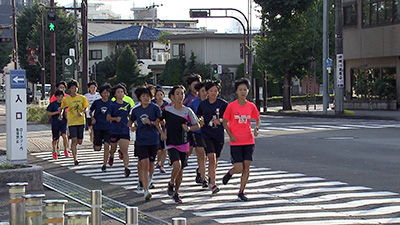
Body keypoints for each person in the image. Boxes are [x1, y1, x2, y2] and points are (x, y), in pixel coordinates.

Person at [222, 78, 260, 201]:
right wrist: (230, 135)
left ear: (248, 91)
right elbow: (225, 122)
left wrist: (256, 127)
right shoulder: (231, 106)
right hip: (236, 140)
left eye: (245, 89)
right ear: (236, 91)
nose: (243, 92)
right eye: (240, 90)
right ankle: (230, 173)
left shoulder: (251, 106)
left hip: (248, 140)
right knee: (239, 168)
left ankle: (241, 191)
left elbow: (257, 118)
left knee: (247, 166)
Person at [162, 85, 200, 204]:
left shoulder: (187, 111)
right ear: (172, 97)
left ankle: (176, 192)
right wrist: (162, 132)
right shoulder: (167, 110)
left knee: (181, 170)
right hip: (171, 142)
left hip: (184, 143)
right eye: (177, 94)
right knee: (177, 165)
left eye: (182, 94)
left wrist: (188, 128)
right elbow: (159, 121)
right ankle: (171, 183)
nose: (180, 96)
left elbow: (197, 125)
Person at [128, 86, 164, 201]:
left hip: (153, 139)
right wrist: (133, 126)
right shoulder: (136, 110)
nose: (146, 98)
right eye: (143, 96)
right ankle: (145, 189)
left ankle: (148, 179)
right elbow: (130, 122)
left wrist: (153, 123)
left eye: (148, 96)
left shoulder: (155, 108)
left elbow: (161, 121)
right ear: (139, 98)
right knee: (144, 163)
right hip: (141, 140)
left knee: (152, 164)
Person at [197, 81, 228, 194]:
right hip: (206, 134)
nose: (213, 93)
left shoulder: (223, 104)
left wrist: (219, 120)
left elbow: (228, 118)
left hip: (219, 135)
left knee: (216, 160)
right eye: (211, 91)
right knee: (211, 157)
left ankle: (211, 175)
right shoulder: (203, 104)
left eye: (215, 91)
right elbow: (198, 116)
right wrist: (200, 121)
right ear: (207, 92)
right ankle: (213, 184)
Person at [59, 79, 89, 166]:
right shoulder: (66, 99)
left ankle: (75, 148)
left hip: (81, 121)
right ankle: (75, 159)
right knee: (74, 140)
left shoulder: (82, 98)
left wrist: (83, 111)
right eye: (72, 88)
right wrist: (60, 114)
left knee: (80, 141)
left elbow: (86, 107)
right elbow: (61, 108)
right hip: (72, 122)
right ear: (69, 89)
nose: (74, 89)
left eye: (75, 88)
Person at [107, 84, 132, 177]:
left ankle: (126, 168)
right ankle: (112, 155)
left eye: (122, 92)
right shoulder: (112, 105)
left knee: (125, 149)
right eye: (118, 92)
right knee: (112, 148)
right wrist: (115, 119)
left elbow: (130, 116)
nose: (120, 94)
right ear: (115, 94)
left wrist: (132, 123)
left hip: (124, 129)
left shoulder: (127, 105)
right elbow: (108, 117)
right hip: (114, 130)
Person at [188, 81, 208, 188]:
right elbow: (190, 117)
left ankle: (200, 171)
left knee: (209, 155)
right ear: (198, 92)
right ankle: (204, 179)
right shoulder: (194, 103)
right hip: (197, 132)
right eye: (203, 91)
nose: (205, 93)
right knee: (201, 154)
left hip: (210, 132)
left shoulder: (213, 102)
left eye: (206, 91)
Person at [90, 84, 112, 172]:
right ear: (101, 94)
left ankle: (104, 164)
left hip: (108, 127)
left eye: (107, 93)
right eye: (104, 93)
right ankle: (95, 143)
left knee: (107, 146)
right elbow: (90, 111)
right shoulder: (97, 102)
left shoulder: (111, 103)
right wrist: (92, 118)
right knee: (98, 148)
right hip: (98, 126)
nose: (106, 94)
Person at [47, 90, 69, 159]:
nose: (60, 98)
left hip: (63, 122)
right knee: (55, 139)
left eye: (62, 97)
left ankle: (66, 149)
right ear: (56, 97)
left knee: (64, 136)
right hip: (55, 123)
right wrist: (57, 112)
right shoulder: (53, 104)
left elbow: (68, 111)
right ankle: (54, 151)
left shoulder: (65, 104)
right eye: (59, 97)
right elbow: (48, 113)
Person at [152, 88, 169, 173]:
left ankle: (161, 165)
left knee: (164, 149)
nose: (159, 97)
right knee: (158, 149)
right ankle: (158, 162)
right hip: (154, 129)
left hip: (165, 129)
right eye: (157, 95)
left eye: (161, 95)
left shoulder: (166, 105)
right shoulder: (152, 105)